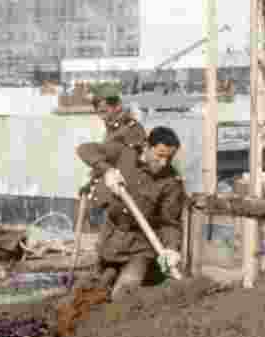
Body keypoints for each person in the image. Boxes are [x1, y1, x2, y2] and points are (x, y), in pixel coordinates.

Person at [76, 126, 186, 300]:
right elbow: (85, 149)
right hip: (110, 241)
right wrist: (107, 170)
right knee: (92, 290)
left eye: (169, 158)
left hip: (140, 248)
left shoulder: (171, 182)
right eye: (160, 155)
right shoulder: (124, 154)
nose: (164, 162)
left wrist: (172, 250)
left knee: (123, 295)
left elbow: (169, 223)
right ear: (146, 147)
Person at [80, 94, 147, 209]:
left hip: (122, 194)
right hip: (108, 190)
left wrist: (117, 186)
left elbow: (129, 163)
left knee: (84, 149)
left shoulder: (131, 128)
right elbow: (108, 161)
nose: (102, 117)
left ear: (118, 107)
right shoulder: (112, 130)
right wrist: (90, 183)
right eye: (99, 113)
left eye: (105, 111)